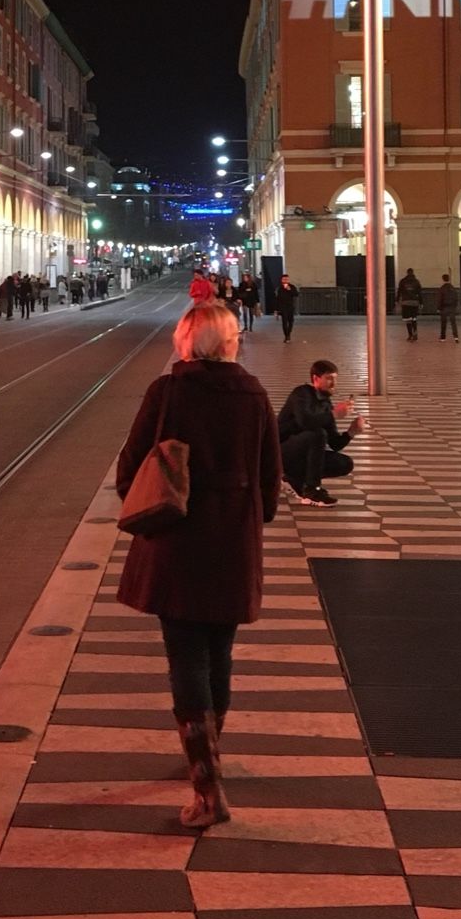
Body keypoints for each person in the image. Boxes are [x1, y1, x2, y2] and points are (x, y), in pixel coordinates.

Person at [116, 299, 282, 827]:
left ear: (185, 342)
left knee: (185, 657)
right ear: (230, 341)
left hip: (178, 541)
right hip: (232, 540)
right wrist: (249, 513)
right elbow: (270, 481)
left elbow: (129, 470)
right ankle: (210, 756)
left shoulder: (168, 391)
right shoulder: (253, 395)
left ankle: (206, 785)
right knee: (219, 652)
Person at [276, 359, 364, 506]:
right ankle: (312, 490)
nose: (333, 384)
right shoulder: (301, 394)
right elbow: (305, 421)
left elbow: (334, 443)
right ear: (316, 379)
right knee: (317, 434)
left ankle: (295, 478)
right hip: (281, 450)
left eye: (335, 379)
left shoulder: (325, 403)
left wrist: (351, 432)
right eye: (329, 379)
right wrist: (334, 414)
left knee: (344, 463)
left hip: (301, 455)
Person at [395, 267, 423, 341]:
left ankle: (410, 335)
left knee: (408, 319)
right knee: (414, 318)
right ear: (413, 273)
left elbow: (399, 291)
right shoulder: (416, 281)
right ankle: (415, 331)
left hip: (406, 302)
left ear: (407, 273)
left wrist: (397, 300)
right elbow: (420, 293)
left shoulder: (403, 281)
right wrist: (421, 302)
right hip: (414, 302)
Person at [436, 273, 459, 342]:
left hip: (444, 307)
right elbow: (456, 298)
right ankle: (456, 337)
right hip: (452, 307)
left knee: (443, 322)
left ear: (443, 279)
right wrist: (455, 306)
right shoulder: (453, 288)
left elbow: (439, 299)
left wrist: (438, 308)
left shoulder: (442, 288)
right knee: (453, 323)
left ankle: (443, 337)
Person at [276, 273, 299, 342]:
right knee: (284, 321)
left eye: (287, 279)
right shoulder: (279, 288)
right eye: (284, 279)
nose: (285, 281)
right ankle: (286, 336)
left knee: (291, 321)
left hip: (290, 306)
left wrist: (290, 290)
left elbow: (296, 294)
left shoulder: (292, 286)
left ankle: (289, 333)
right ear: (281, 280)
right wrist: (276, 310)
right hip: (283, 307)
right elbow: (277, 299)